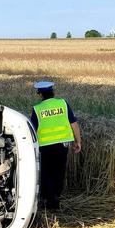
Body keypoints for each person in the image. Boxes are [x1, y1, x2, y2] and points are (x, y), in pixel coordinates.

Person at [30, 81, 82, 209]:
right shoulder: (63, 104)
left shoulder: (37, 109)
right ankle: (56, 197)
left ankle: (49, 199)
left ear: (40, 94)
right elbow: (73, 123)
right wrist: (78, 141)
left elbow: (32, 130)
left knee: (46, 172)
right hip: (62, 144)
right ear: (53, 92)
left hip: (45, 146)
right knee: (59, 171)